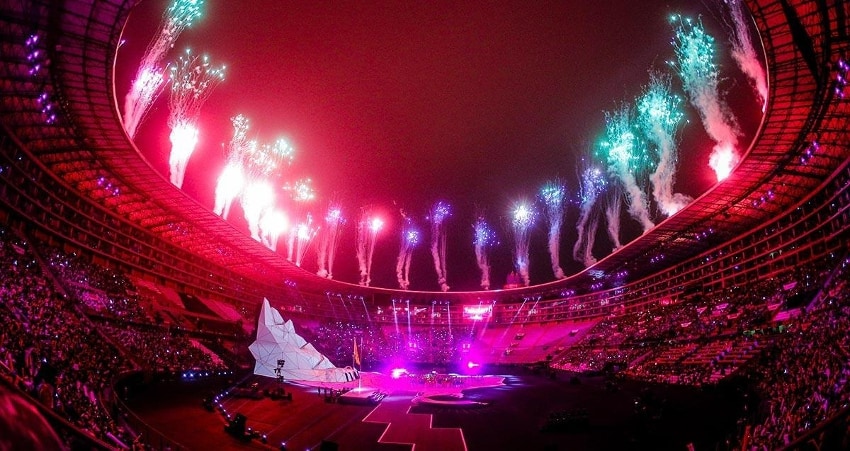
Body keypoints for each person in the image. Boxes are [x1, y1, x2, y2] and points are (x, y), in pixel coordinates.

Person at [0, 385, 66, 450]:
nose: (50, 398)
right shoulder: (36, 412)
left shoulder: (54, 414)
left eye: (50, 396)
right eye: (47, 395)